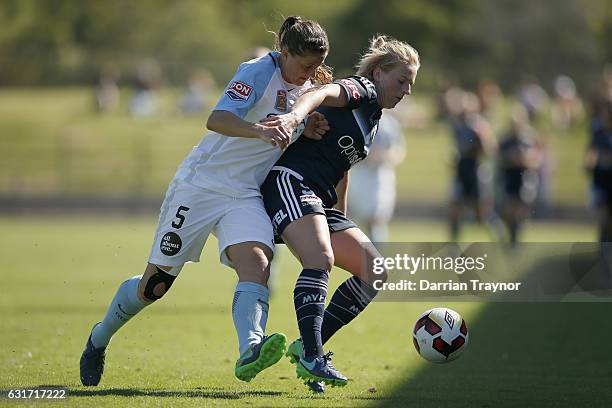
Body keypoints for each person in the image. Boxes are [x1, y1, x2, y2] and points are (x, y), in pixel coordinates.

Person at [79, 16, 332, 387]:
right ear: (284, 52)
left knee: (258, 262)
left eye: (315, 66)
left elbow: (288, 122)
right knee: (154, 287)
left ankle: (251, 348)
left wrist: (304, 128)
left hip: (244, 193)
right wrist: (258, 130)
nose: (309, 73)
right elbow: (217, 119)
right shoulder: (259, 70)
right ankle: (98, 340)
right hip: (201, 186)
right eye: (304, 65)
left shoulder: (307, 84)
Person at [259, 35, 419, 389]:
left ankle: (308, 349)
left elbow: (342, 166)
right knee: (320, 260)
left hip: (319, 197)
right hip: (291, 182)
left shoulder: (374, 117)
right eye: (402, 80)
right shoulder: (360, 88)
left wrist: (340, 217)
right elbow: (322, 93)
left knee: (374, 271)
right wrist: (296, 116)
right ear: (378, 74)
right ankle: (314, 359)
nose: (407, 90)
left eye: (411, 84)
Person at [347, 112, 406, 241]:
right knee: (348, 217)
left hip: (380, 176)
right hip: (357, 174)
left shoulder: (389, 124)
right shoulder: (356, 118)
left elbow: (398, 151)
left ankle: (376, 257)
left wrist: (383, 156)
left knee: (376, 219)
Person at [448, 92, 498, 241]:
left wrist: (481, 141)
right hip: (462, 169)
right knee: (455, 208)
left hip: (476, 170)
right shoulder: (457, 126)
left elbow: (490, 150)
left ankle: (501, 240)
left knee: (482, 213)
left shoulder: (479, 125)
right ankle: (454, 245)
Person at [497, 104, 542, 245]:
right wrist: (512, 159)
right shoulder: (505, 140)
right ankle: (512, 236)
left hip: (525, 178)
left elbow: (537, 158)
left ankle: (515, 239)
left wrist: (526, 160)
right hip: (509, 177)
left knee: (520, 209)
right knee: (509, 209)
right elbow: (500, 158)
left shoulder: (530, 138)